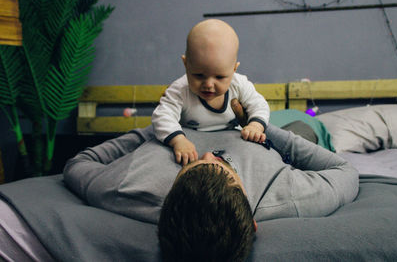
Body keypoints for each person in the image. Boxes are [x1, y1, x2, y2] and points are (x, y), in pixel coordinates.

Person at [63, 101, 359, 262]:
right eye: (223, 165)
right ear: (254, 223)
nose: (206, 153)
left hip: (186, 124)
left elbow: (79, 163)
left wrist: (154, 132)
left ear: (162, 211)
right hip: (268, 133)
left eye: (190, 167)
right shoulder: (288, 197)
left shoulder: (122, 190)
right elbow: (343, 169)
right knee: (305, 123)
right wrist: (262, 128)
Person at [152, 19, 270, 165]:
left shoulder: (238, 84)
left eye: (219, 77)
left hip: (229, 144)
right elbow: (162, 116)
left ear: (234, 69)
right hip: (190, 143)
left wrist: (255, 126)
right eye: (199, 75)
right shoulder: (180, 90)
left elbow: (259, 104)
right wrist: (178, 140)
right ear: (186, 64)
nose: (208, 84)